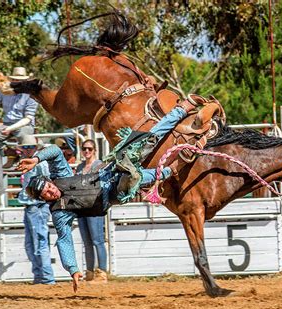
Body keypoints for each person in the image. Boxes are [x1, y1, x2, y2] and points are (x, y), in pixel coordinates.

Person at [17, 103, 195, 291]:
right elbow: (64, 240)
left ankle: (180, 110)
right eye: (46, 192)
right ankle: (171, 170)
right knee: (130, 178)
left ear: (50, 181)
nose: (51, 190)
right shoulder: (60, 213)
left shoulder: (60, 175)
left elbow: (53, 151)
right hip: (112, 194)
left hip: (108, 172)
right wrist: (73, 269)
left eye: (48, 185)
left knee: (144, 139)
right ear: (44, 198)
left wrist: (36, 159)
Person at [16, 135, 55, 285]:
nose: (27, 150)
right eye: (25, 147)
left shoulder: (40, 165)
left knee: (39, 240)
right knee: (33, 242)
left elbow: (46, 183)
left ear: (35, 148)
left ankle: (45, 276)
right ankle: (41, 275)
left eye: (30, 147)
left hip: (36, 205)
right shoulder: (35, 164)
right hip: (32, 205)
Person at [0, 67, 39, 168]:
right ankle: (10, 154)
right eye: (15, 79)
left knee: (24, 136)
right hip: (7, 123)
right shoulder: (4, 90)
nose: (17, 82)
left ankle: (25, 161)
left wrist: (10, 128)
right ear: (11, 80)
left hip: (24, 124)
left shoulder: (31, 94)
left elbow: (28, 119)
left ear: (25, 81)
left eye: (20, 80)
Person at [75, 139, 107, 282]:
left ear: (94, 150)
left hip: (94, 207)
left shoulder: (99, 165)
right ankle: (89, 272)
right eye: (84, 149)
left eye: (89, 149)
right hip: (81, 207)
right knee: (87, 241)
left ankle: (102, 273)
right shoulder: (80, 166)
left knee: (97, 240)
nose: (86, 151)